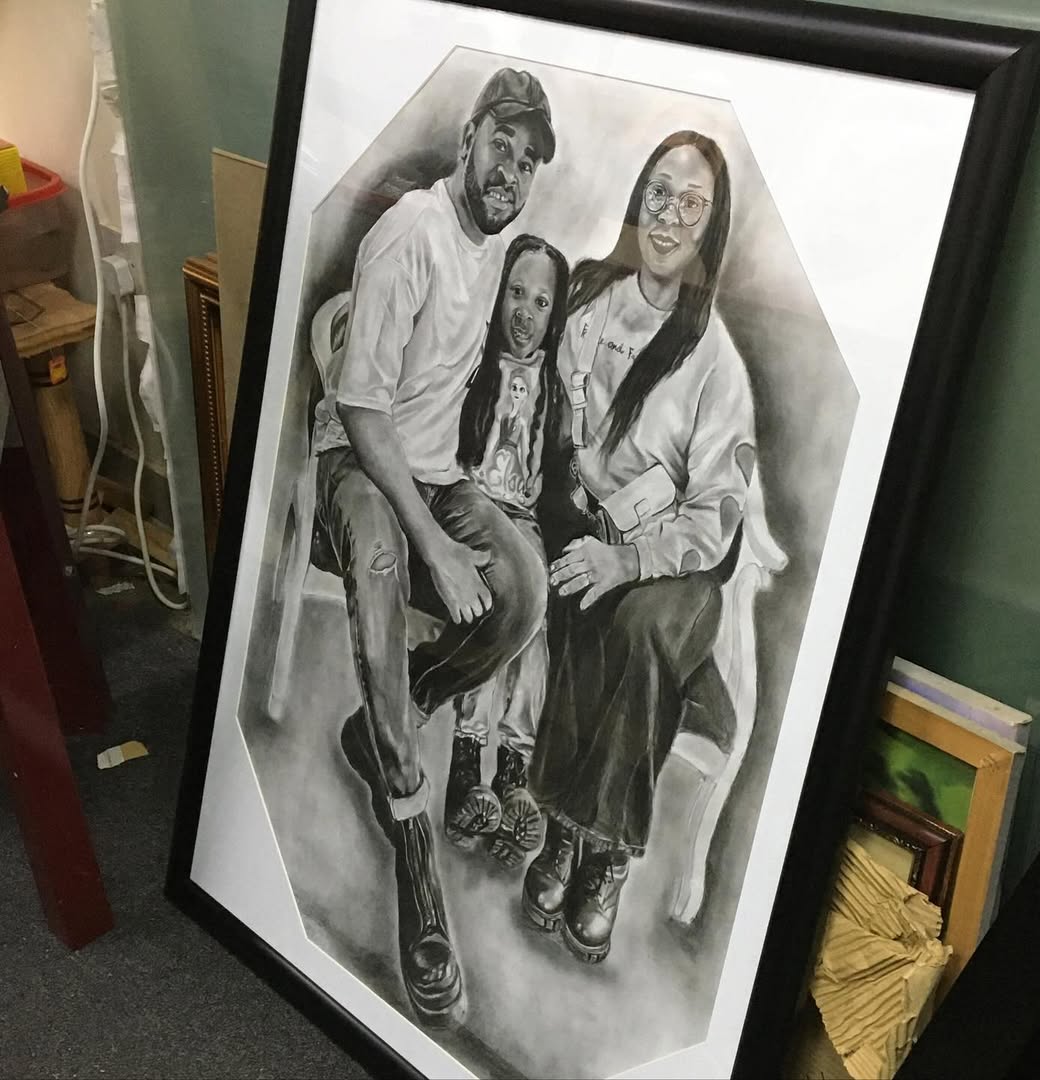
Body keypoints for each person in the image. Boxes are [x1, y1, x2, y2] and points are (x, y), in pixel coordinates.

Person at [310, 68, 555, 1023]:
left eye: (528, 161)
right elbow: (363, 409)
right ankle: (416, 865)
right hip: (359, 462)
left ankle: (385, 722)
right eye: (502, 145)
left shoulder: (492, 249)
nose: (511, 171)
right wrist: (435, 547)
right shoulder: (410, 232)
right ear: (468, 137)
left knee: (524, 590)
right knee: (381, 567)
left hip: (438, 474)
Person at [523, 130, 759, 964]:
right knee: (576, 591)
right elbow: (558, 432)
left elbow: (716, 516)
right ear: (637, 200)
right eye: (658, 193)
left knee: (641, 625)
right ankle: (563, 827)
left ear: (710, 228)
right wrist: (588, 521)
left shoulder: (716, 362)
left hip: (682, 567)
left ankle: (604, 854)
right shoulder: (590, 304)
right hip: (588, 521)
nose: (668, 217)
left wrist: (629, 557)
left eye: (691, 205)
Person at [442, 234, 570, 869]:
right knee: (502, 603)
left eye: (541, 302)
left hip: (524, 516)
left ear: (555, 315)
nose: (525, 312)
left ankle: (513, 769)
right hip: (473, 503)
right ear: (498, 297)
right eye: (516, 293)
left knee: (537, 615)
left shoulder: (555, 387)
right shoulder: (474, 362)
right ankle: (468, 762)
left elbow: (561, 469)